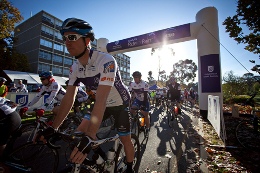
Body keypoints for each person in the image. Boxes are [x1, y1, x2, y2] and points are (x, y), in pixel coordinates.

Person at [35, 18, 135, 172]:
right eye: (65, 38)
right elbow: (69, 98)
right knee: (78, 134)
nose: (67, 42)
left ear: (87, 40)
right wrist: (54, 127)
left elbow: (101, 99)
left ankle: (130, 167)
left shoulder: (107, 60)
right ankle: (99, 159)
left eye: (72, 37)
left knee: (124, 138)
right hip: (102, 104)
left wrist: (91, 135)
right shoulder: (74, 67)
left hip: (120, 104)